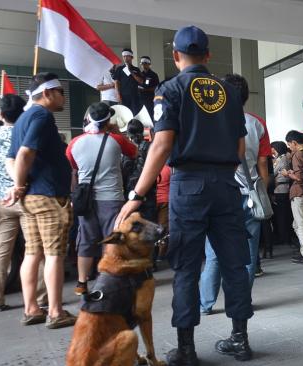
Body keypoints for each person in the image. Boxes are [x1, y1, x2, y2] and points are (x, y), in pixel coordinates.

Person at [114, 26, 254, 365]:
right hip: (226, 184)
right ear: (207, 55)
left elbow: (161, 144)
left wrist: (136, 194)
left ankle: (187, 348)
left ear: (176, 56)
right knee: (235, 263)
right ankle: (240, 339)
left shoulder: (171, 89)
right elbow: (238, 148)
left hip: (189, 184)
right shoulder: (229, 92)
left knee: (187, 266)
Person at [4, 72, 77, 329]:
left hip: (31, 199)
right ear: (47, 93)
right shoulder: (41, 115)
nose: (62, 97)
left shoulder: (22, 118)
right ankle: (55, 312)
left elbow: (10, 159)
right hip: (48, 197)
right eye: (60, 92)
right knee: (55, 255)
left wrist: (19, 187)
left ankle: (32, 309)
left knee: (32, 253)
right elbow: (24, 154)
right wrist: (18, 185)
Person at [199, 73, 271, 314]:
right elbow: (263, 165)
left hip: (219, 192)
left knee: (213, 254)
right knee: (248, 254)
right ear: (246, 96)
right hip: (249, 194)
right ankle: (242, 301)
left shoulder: (209, 120)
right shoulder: (257, 123)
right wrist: (264, 189)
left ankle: (206, 304)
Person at [0, 94, 47, 313]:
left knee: (0, 249)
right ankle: (41, 297)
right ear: (23, 114)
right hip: (27, 196)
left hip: (2, 200)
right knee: (35, 248)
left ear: (0, 114)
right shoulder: (26, 133)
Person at [66, 102, 137, 295]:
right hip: (112, 198)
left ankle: (81, 283)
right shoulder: (116, 140)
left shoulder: (75, 142)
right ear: (109, 121)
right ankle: (108, 279)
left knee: (86, 240)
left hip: (85, 200)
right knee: (111, 240)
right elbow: (134, 152)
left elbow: (73, 164)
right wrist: (116, 132)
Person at [285, 130, 303, 264]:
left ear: (294, 143)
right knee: (297, 224)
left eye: (289, 144)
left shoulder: (297, 154)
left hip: (298, 192)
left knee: (301, 224)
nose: (289, 147)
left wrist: (288, 174)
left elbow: (298, 177)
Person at [122, 119, 157, 221]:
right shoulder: (151, 146)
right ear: (142, 131)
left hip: (129, 193)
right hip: (148, 191)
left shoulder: (125, 149)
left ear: (128, 133)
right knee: (150, 224)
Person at [271, 141, 292, 247]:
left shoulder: (281, 159)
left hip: (281, 190)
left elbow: (273, 173)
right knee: (284, 214)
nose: (271, 150)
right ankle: (285, 236)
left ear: (276, 148)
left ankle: (284, 237)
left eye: (272, 148)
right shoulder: (282, 158)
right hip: (282, 189)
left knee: (282, 215)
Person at [111, 48, 144, 113]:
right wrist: (118, 95)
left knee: (135, 114)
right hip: (124, 97)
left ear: (131, 57)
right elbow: (116, 82)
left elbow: (141, 81)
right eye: (124, 56)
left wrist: (131, 72)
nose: (125, 58)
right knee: (125, 114)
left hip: (135, 96)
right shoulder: (120, 69)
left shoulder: (136, 69)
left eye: (127, 56)